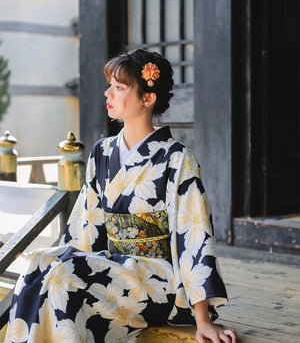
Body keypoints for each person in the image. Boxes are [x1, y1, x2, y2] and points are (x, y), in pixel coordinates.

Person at [5, 49, 237, 343]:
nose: (107, 93)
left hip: (156, 280)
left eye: (118, 87)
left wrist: (202, 320)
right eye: (109, 85)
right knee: (39, 264)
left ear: (148, 98)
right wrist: (71, 259)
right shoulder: (102, 152)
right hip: (112, 268)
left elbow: (194, 233)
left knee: (64, 275)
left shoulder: (176, 158)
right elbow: (85, 226)